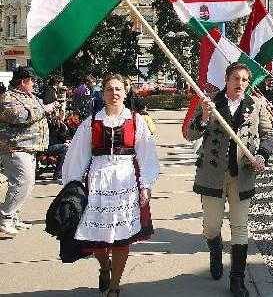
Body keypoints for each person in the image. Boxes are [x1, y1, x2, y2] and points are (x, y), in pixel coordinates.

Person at [61, 73, 160, 296]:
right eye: (109, 89)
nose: (114, 93)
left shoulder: (136, 121)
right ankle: (104, 266)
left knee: (122, 236)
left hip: (126, 182)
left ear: (125, 93)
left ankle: (115, 285)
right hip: (97, 181)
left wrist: (146, 185)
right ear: (102, 93)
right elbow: (78, 155)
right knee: (98, 235)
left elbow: (147, 155)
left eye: (118, 89)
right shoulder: (91, 122)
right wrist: (73, 186)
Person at [185, 63, 273, 296]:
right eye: (236, 78)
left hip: (243, 174)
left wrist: (262, 155)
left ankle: (237, 279)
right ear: (226, 79)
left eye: (245, 80)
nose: (240, 84)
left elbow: (268, 134)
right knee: (211, 226)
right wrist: (204, 116)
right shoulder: (210, 102)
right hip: (213, 174)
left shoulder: (256, 105)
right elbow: (189, 134)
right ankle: (215, 248)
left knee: (240, 227)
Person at [0, 67, 62, 238]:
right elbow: (17, 116)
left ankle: (13, 216)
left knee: (28, 185)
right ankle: (4, 219)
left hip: (30, 149)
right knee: (21, 184)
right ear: (23, 82)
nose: (34, 84)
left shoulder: (30, 97)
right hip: (15, 148)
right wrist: (44, 109)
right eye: (32, 81)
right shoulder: (8, 97)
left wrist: (51, 107)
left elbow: (40, 109)